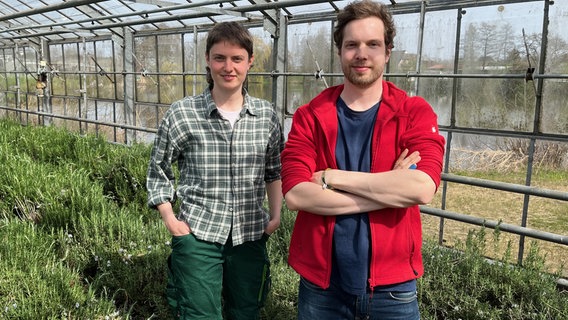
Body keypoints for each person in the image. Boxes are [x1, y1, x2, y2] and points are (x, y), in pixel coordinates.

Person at [280, 1, 446, 319]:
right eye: (352, 44)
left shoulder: (414, 113)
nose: (362, 54)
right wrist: (388, 192)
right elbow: (296, 194)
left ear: (387, 52)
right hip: (323, 287)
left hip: (393, 287)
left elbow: (422, 188)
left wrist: (332, 176)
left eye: (373, 44)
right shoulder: (309, 117)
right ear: (340, 51)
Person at [146, 21, 284, 320]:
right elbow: (158, 169)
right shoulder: (183, 113)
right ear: (208, 61)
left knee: (247, 311)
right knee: (199, 314)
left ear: (250, 62)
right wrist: (170, 219)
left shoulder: (266, 116)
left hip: (250, 234)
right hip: (199, 235)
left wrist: (275, 215)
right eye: (220, 58)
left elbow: (274, 170)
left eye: (236, 58)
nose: (228, 67)